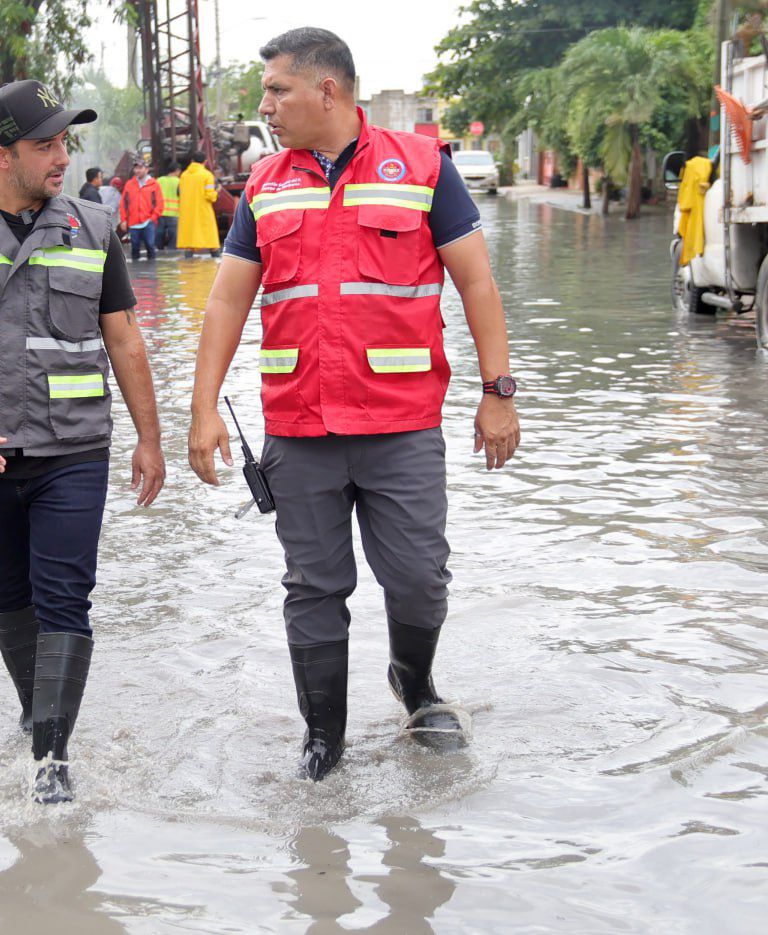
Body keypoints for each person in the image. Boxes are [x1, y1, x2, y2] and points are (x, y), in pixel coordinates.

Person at [187, 28, 521, 780]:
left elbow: (476, 284)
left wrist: (498, 392)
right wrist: (203, 406)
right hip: (299, 427)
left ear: (326, 91)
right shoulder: (266, 184)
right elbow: (227, 303)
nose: (266, 105)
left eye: (277, 90)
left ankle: (416, 683)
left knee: (418, 576)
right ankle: (323, 737)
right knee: (313, 585)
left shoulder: (424, 167)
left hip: (400, 424)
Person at [0, 79, 166, 804]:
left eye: (65, 142)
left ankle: (51, 760)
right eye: (45, 144)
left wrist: (150, 440)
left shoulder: (95, 228)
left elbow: (125, 340)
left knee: (65, 596)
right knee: (7, 593)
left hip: (73, 450)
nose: (62, 156)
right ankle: (36, 712)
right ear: (0, 154)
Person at [118, 158, 163, 261]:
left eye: (140, 168)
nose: (137, 170)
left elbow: (159, 203)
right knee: (135, 248)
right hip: (133, 223)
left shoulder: (154, 184)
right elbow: (123, 204)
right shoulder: (130, 184)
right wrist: (123, 220)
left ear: (146, 169)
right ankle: (135, 275)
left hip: (148, 222)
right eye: (136, 168)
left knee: (150, 246)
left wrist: (153, 218)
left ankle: (152, 274)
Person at [177, 151, 220, 257]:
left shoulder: (184, 175)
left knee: (190, 240)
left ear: (192, 161)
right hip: (203, 211)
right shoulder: (207, 175)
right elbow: (210, 195)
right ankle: (215, 256)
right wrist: (216, 192)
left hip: (188, 212)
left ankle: (188, 258)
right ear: (205, 162)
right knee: (211, 239)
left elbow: (180, 192)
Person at [155, 161, 181, 251]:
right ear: (177, 171)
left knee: (159, 233)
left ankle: (159, 250)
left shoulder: (159, 180)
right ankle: (171, 252)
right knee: (173, 235)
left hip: (160, 212)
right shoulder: (179, 181)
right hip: (174, 213)